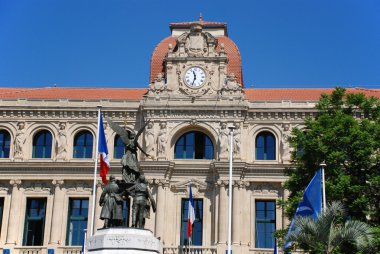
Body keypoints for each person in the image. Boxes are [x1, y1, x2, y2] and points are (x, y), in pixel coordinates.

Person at [107, 119, 153, 183]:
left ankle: (130, 178)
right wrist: (146, 154)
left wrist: (146, 154)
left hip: (128, 155)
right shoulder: (134, 142)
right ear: (134, 137)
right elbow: (140, 148)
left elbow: (138, 147)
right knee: (133, 168)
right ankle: (131, 178)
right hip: (132, 156)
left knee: (128, 167)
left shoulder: (128, 141)